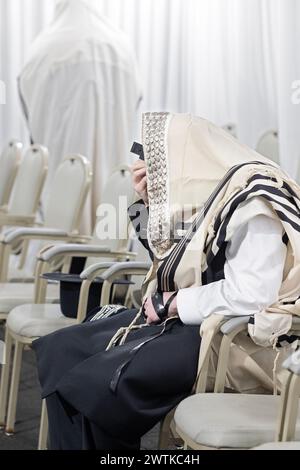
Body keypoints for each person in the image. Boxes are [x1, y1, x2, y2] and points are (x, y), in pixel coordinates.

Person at [33, 112, 300, 450]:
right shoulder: (213, 197)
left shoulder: (254, 200)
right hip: (189, 324)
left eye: (157, 160)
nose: (150, 168)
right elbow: (166, 264)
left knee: (96, 386)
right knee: (63, 350)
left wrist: (174, 303)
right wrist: (148, 202)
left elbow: (252, 295)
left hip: (233, 341)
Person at [18, 0, 142, 233]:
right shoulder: (120, 46)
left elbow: (28, 105)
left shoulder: (44, 47)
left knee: (66, 232)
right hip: (114, 181)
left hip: (63, 176)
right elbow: (136, 97)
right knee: (109, 238)